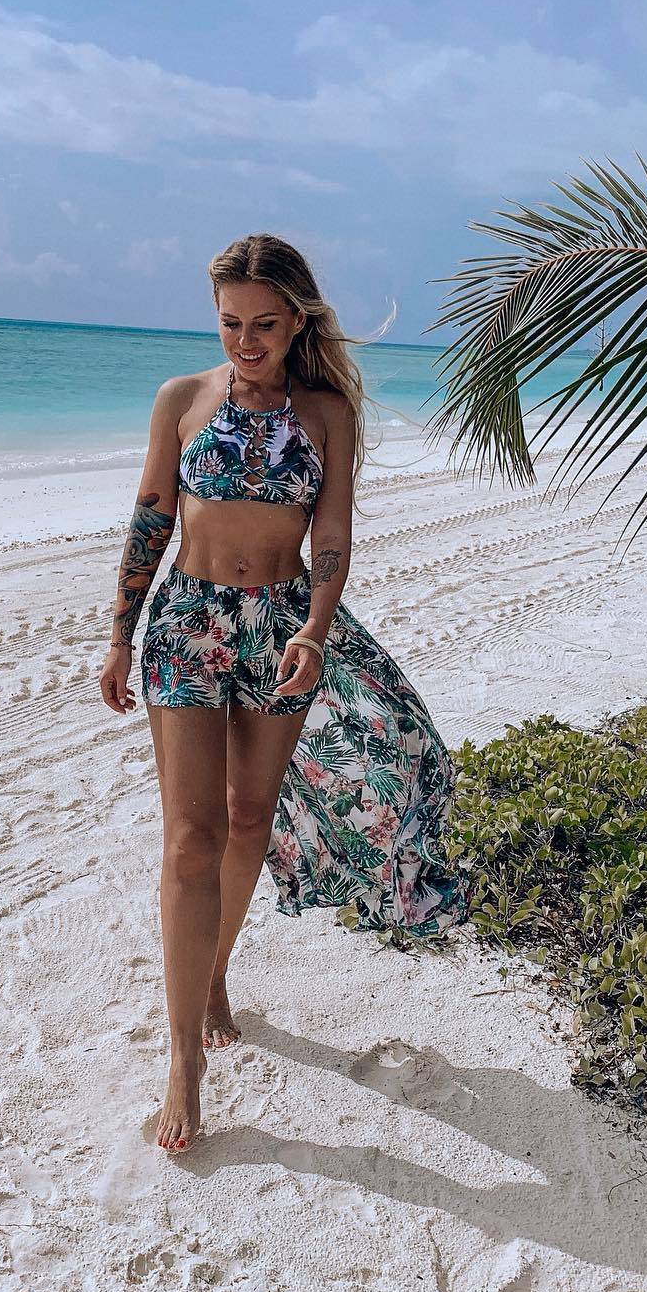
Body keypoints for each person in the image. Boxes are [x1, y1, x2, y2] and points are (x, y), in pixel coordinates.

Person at [98, 234, 469, 1154]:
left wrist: (315, 628)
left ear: (298, 319)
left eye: (264, 324)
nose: (247, 342)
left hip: (282, 625)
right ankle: (184, 1058)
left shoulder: (327, 412)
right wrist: (119, 631)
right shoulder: (182, 401)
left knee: (248, 816)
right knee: (191, 837)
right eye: (231, 324)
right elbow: (151, 516)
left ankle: (215, 970)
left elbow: (331, 534)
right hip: (188, 621)